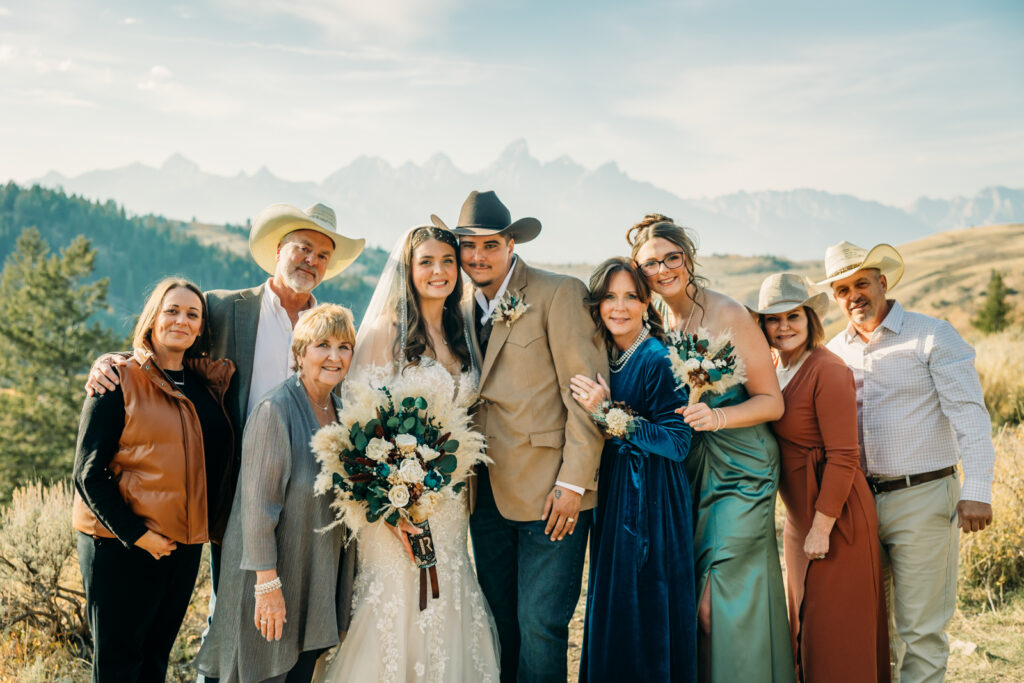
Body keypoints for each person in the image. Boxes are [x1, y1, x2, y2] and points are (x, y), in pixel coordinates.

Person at [84, 202, 365, 680]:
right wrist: (111, 361)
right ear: (279, 251)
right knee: (229, 611)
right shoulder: (223, 307)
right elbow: (167, 336)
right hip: (229, 490)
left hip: (306, 498)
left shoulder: (332, 331)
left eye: (322, 254)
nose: (310, 261)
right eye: (302, 248)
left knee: (290, 616)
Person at [430, 191, 607, 682]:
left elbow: (585, 397)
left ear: (511, 244)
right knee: (499, 621)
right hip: (483, 495)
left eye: (490, 245)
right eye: (468, 246)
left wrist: (573, 484)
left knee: (542, 625)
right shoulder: (459, 303)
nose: (477, 256)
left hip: (551, 493)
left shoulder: (558, 293)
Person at [319, 225, 500, 681]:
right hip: (394, 509)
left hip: (451, 503)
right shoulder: (386, 331)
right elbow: (358, 429)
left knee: (448, 595)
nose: (438, 271)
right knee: (396, 601)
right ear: (409, 270)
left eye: (447, 261)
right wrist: (393, 504)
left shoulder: (461, 331)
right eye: (427, 262)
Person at [819, 241, 995, 683]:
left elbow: (970, 417)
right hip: (857, 504)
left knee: (921, 630)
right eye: (842, 289)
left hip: (923, 498)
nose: (853, 295)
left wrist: (977, 492)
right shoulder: (834, 352)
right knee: (870, 628)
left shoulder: (932, 335)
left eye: (861, 283)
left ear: (882, 282)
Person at [628, 213, 793, 682]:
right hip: (692, 472)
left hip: (743, 469)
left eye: (671, 258)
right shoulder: (656, 320)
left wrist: (717, 417)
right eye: (650, 265)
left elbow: (772, 402)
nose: (662, 270)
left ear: (688, 257)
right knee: (702, 592)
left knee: (714, 603)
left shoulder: (729, 314)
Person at [73, 278, 235, 682]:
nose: (182, 320)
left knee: (153, 664)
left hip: (182, 548)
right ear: (153, 318)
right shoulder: (118, 378)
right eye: (172, 310)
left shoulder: (205, 387)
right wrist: (137, 535)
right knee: (119, 667)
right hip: (121, 545)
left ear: (201, 329)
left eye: (192, 314)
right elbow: (88, 472)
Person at [195, 304, 358, 683]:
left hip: (316, 573)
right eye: (323, 345)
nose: (335, 356)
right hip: (273, 576)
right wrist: (268, 587)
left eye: (344, 346)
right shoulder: (275, 409)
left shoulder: (344, 410)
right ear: (299, 354)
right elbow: (257, 508)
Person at [752, 273, 889, 682]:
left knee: (838, 636)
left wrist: (822, 527)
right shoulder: (776, 367)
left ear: (811, 317)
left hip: (837, 518)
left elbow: (845, 456)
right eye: (773, 319)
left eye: (793, 316)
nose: (783, 327)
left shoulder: (828, 369)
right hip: (800, 519)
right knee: (806, 631)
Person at [570, 258, 696, 683]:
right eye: (609, 296)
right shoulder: (610, 355)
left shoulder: (657, 358)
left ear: (646, 302)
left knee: (644, 606)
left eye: (630, 297)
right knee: (618, 604)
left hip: (654, 501)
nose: (618, 307)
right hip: (618, 492)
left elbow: (678, 443)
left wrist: (609, 415)